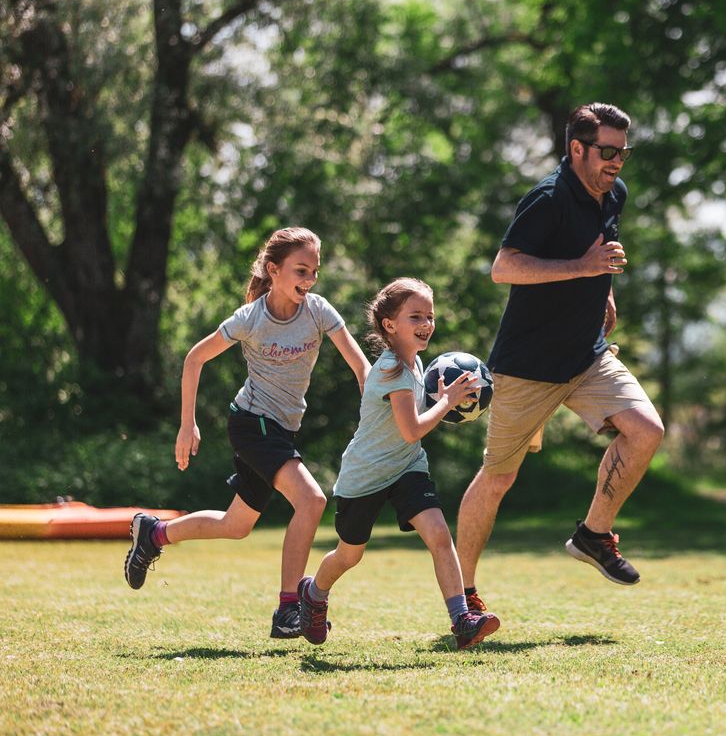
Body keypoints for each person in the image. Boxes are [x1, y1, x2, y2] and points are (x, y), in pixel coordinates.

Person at [456, 102, 665, 614]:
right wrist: (582, 268)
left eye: (624, 152)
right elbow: (504, 268)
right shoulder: (547, 198)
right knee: (498, 477)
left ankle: (594, 535)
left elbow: (601, 250)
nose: (617, 162)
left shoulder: (614, 193)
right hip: (528, 366)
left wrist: (604, 290)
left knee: (646, 431)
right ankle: (461, 595)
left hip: (587, 357)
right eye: (608, 151)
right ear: (577, 148)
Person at [124, 227, 371, 640]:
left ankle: (154, 533)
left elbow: (360, 367)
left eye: (314, 271)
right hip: (252, 423)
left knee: (236, 524)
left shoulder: (318, 311)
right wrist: (187, 424)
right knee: (311, 500)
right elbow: (194, 359)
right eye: (301, 270)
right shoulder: (250, 318)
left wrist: (374, 405)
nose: (310, 280)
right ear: (273, 270)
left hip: (282, 430)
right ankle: (288, 608)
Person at [296, 278, 500, 650]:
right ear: (390, 325)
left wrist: (446, 398)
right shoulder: (392, 370)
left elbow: (411, 434)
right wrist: (448, 402)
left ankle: (462, 620)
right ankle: (313, 593)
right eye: (416, 316)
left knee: (439, 535)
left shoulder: (417, 363)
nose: (426, 324)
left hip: (407, 467)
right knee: (349, 555)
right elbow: (412, 429)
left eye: (430, 316)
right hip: (366, 476)